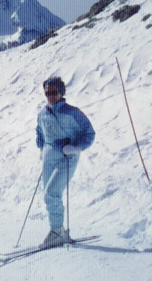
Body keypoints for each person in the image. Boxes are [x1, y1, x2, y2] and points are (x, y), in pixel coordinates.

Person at [36, 76, 95, 247]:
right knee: (49, 196)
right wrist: (41, 149)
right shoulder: (42, 114)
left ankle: (56, 233)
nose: (51, 96)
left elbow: (89, 133)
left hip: (67, 157)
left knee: (52, 193)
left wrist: (76, 148)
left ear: (61, 93)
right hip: (49, 158)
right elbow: (39, 133)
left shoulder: (72, 112)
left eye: (54, 92)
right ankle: (58, 230)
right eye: (47, 93)